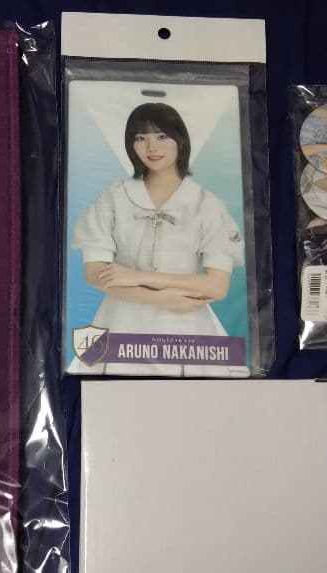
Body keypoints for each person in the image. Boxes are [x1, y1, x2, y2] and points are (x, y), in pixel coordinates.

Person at [70, 102, 247, 376]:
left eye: (162, 136)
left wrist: (136, 276)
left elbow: (217, 286)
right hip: (121, 325)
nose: (152, 147)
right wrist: (162, 299)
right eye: (141, 138)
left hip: (190, 329)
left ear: (180, 141)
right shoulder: (113, 197)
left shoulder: (207, 204)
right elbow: (95, 275)